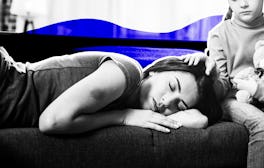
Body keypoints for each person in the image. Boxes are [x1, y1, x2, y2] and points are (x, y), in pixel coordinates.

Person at [181, 0, 264, 168]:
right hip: (234, 100)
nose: (243, 4)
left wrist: (260, 90)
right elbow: (222, 85)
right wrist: (210, 71)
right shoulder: (219, 34)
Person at [0, 46, 222, 135]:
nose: (166, 102)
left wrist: (212, 73)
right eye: (172, 86)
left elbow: (200, 120)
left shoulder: (130, 99)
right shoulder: (127, 73)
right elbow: (52, 121)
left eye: (179, 106)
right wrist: (124, 117)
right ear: (157, 70)